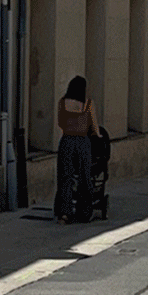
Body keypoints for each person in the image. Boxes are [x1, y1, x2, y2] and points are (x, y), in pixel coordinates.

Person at [54, 75, 103, 223]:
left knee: (65, 177)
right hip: (82, 141)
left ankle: (64, 213)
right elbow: (94, 127)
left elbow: (61, 122)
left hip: (67, 140)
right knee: (84, 177)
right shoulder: (88, 104)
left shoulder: (62, 103)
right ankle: (84, 211)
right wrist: (98, 136)